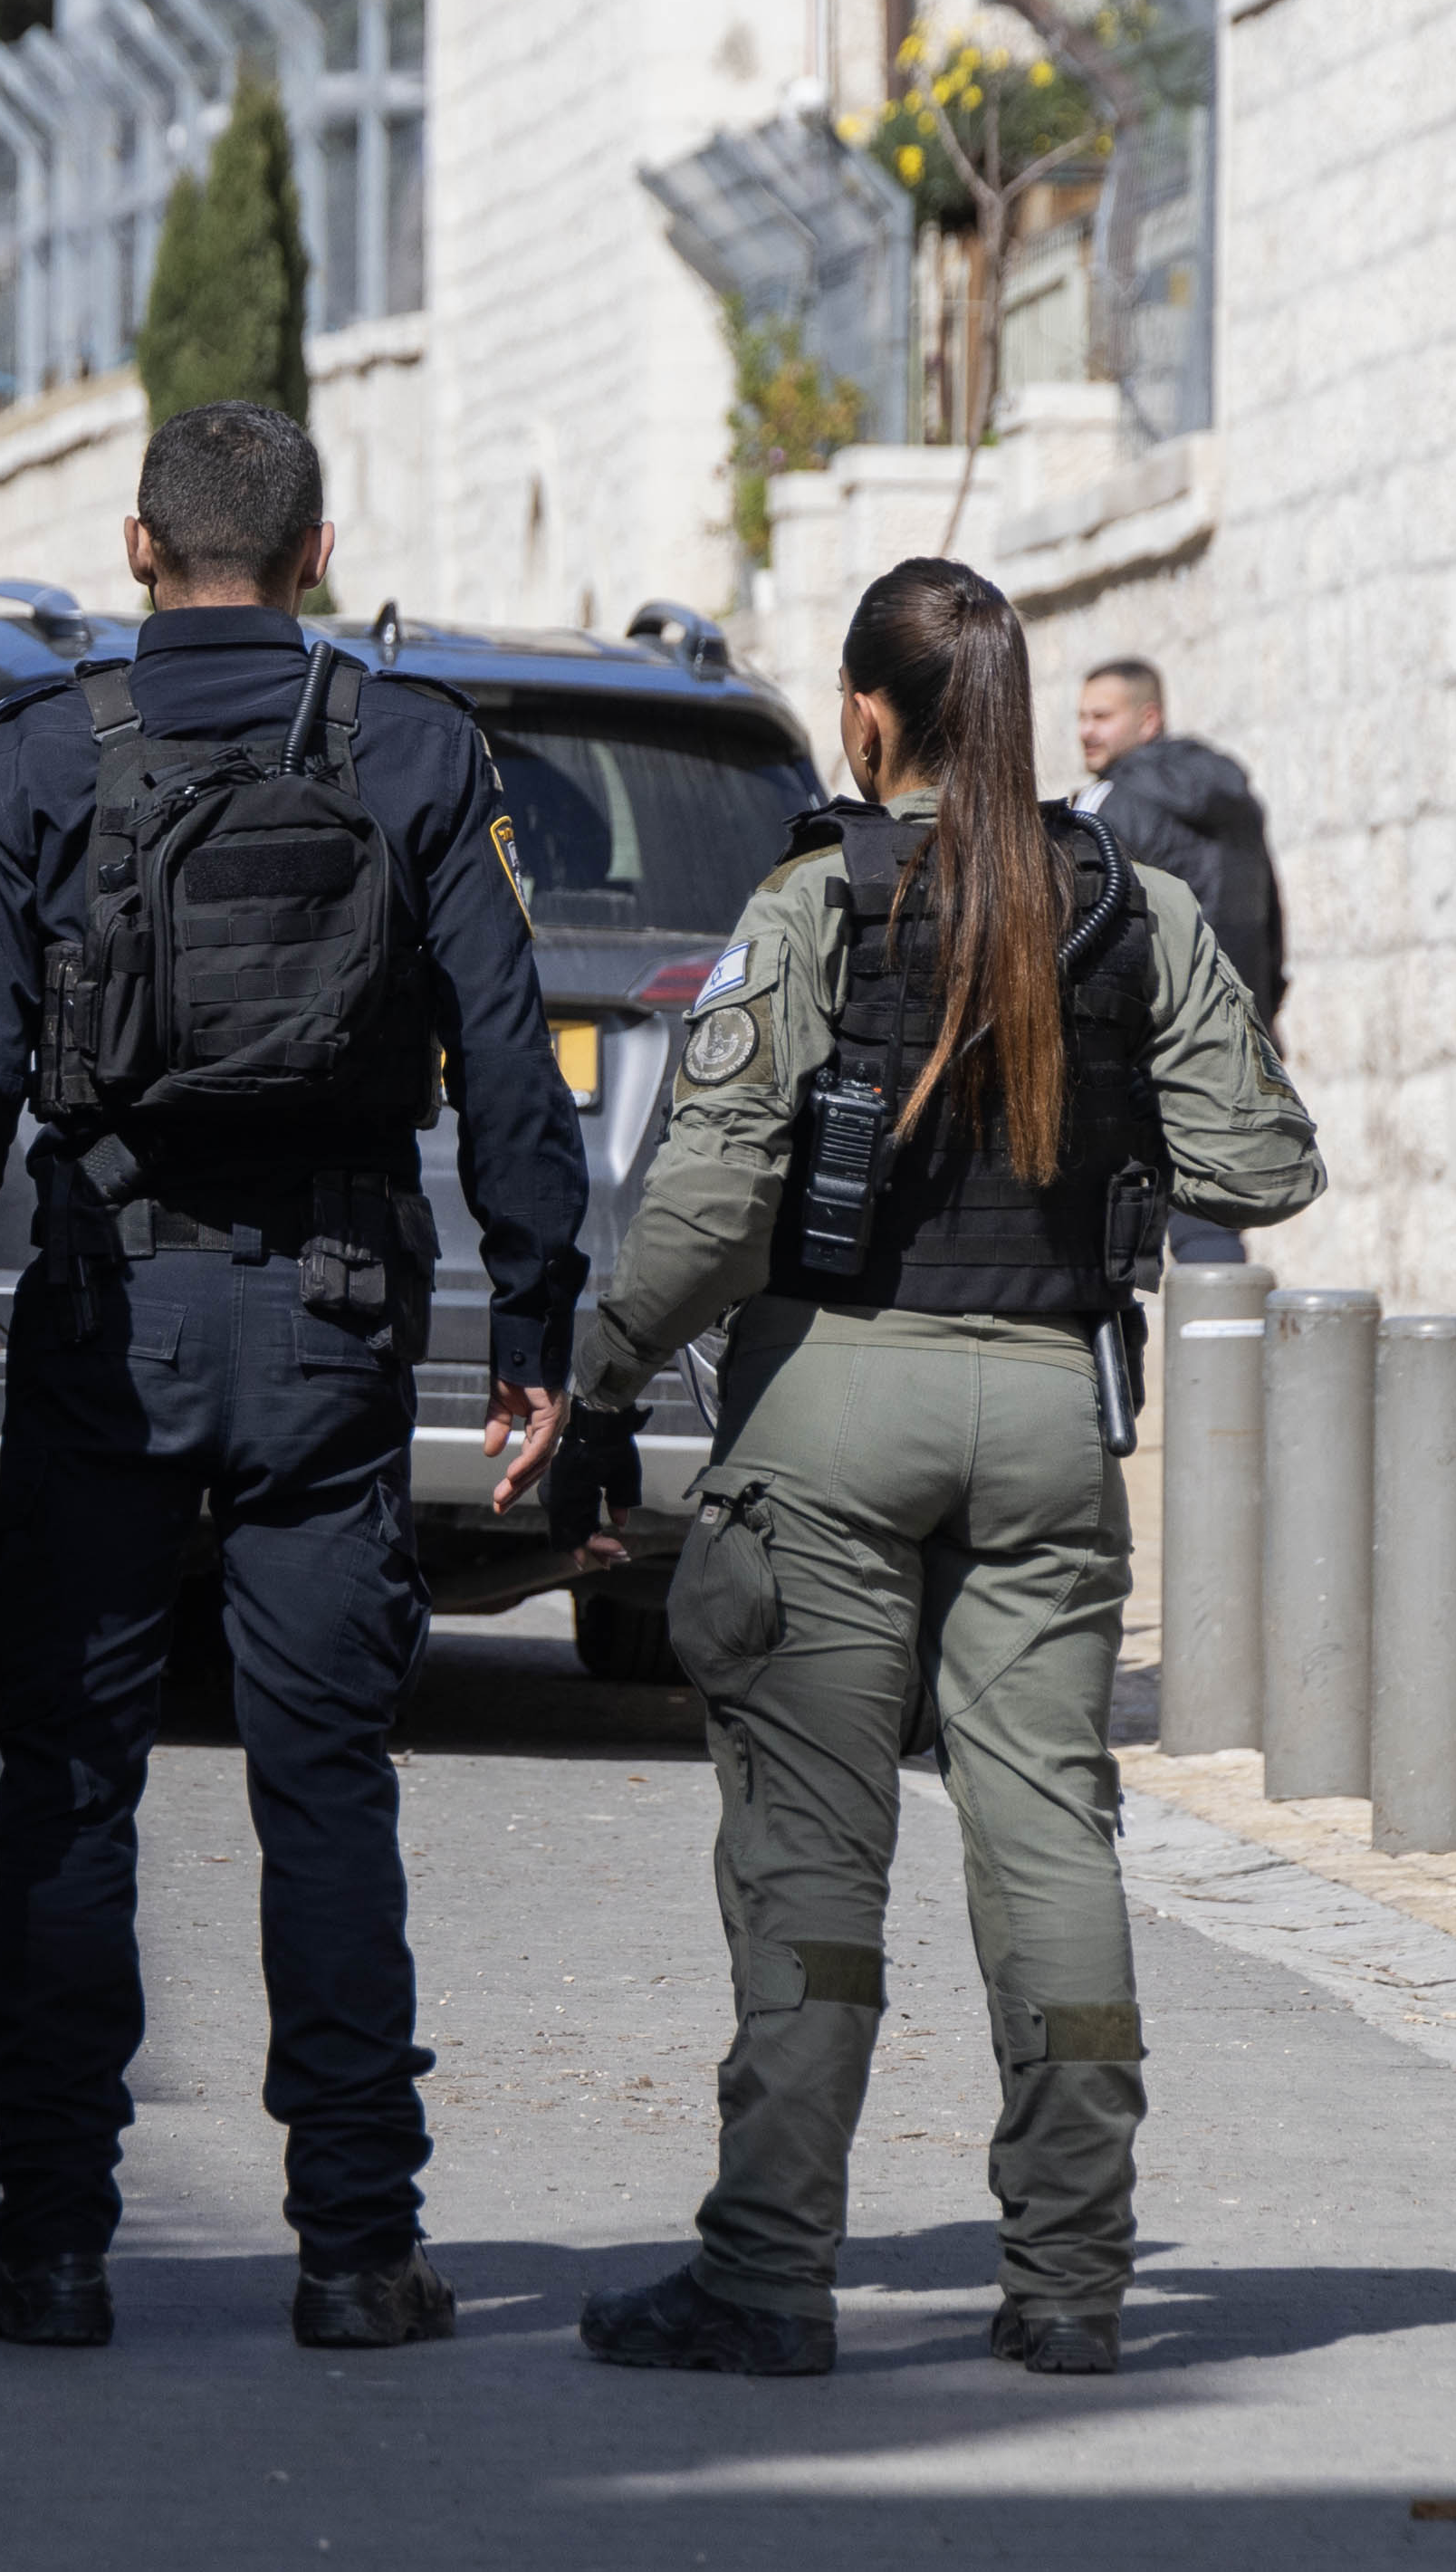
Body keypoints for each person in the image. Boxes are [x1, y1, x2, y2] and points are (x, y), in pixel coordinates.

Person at [534, 561, 1321, 2381]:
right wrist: (1108, 1123)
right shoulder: (1131, 906)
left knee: (814, 1861)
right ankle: (1073, 2279)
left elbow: (711, 1202)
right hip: (1048, 1416)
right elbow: (1264, 1163)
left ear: (867, 717)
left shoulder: (814, 901)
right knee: (1051, 1844)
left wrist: (602, 1376)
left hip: (830, 1411)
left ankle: (768, 2275)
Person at [0, 398, 590, 2355]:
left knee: (71, 1781)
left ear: (136, 547)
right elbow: (508, 1056)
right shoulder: (413, 746)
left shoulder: (36, 750)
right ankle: (357, 2249)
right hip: (331, 1325)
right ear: (316, 554)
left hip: (99, 1326)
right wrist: (537, 1326)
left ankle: (52, 2244)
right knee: (326, 1787)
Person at [1071, 657, 1288, 1269]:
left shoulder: (1110, 801)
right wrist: (1267, 1011)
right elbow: (1269, 912)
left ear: (1148, 719)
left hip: (1139, 1041)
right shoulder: (1235, 800)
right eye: (1081, 717)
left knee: (1106, 1222)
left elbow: (1074, 923)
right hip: (1227, 1036)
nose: (1085, 731)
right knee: (1208, 1216)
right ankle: (1224, 1330)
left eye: (1101, 717)